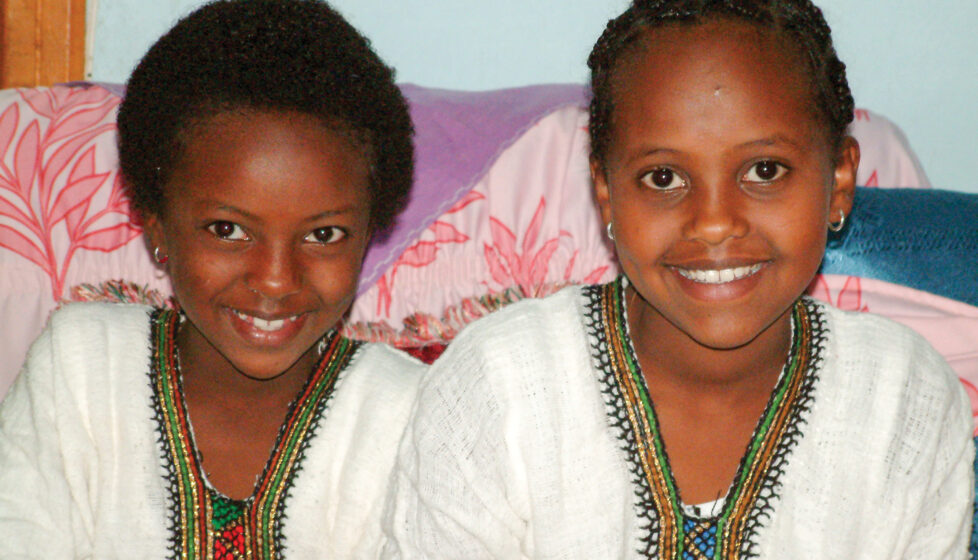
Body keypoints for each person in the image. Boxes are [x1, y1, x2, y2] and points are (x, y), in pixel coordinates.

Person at [382, 0, 973, 558]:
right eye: (663, 178)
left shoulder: (904, 399)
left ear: (840, 180)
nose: (714, 224)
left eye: (765, 170)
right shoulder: (500, 385)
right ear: (606, 192)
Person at [0, 0, 420, 557]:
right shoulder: (81, 367)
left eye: (324, 235)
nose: (275, 280)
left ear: (370, 234)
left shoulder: (404, 410)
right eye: (228, 229)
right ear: (157, 228)